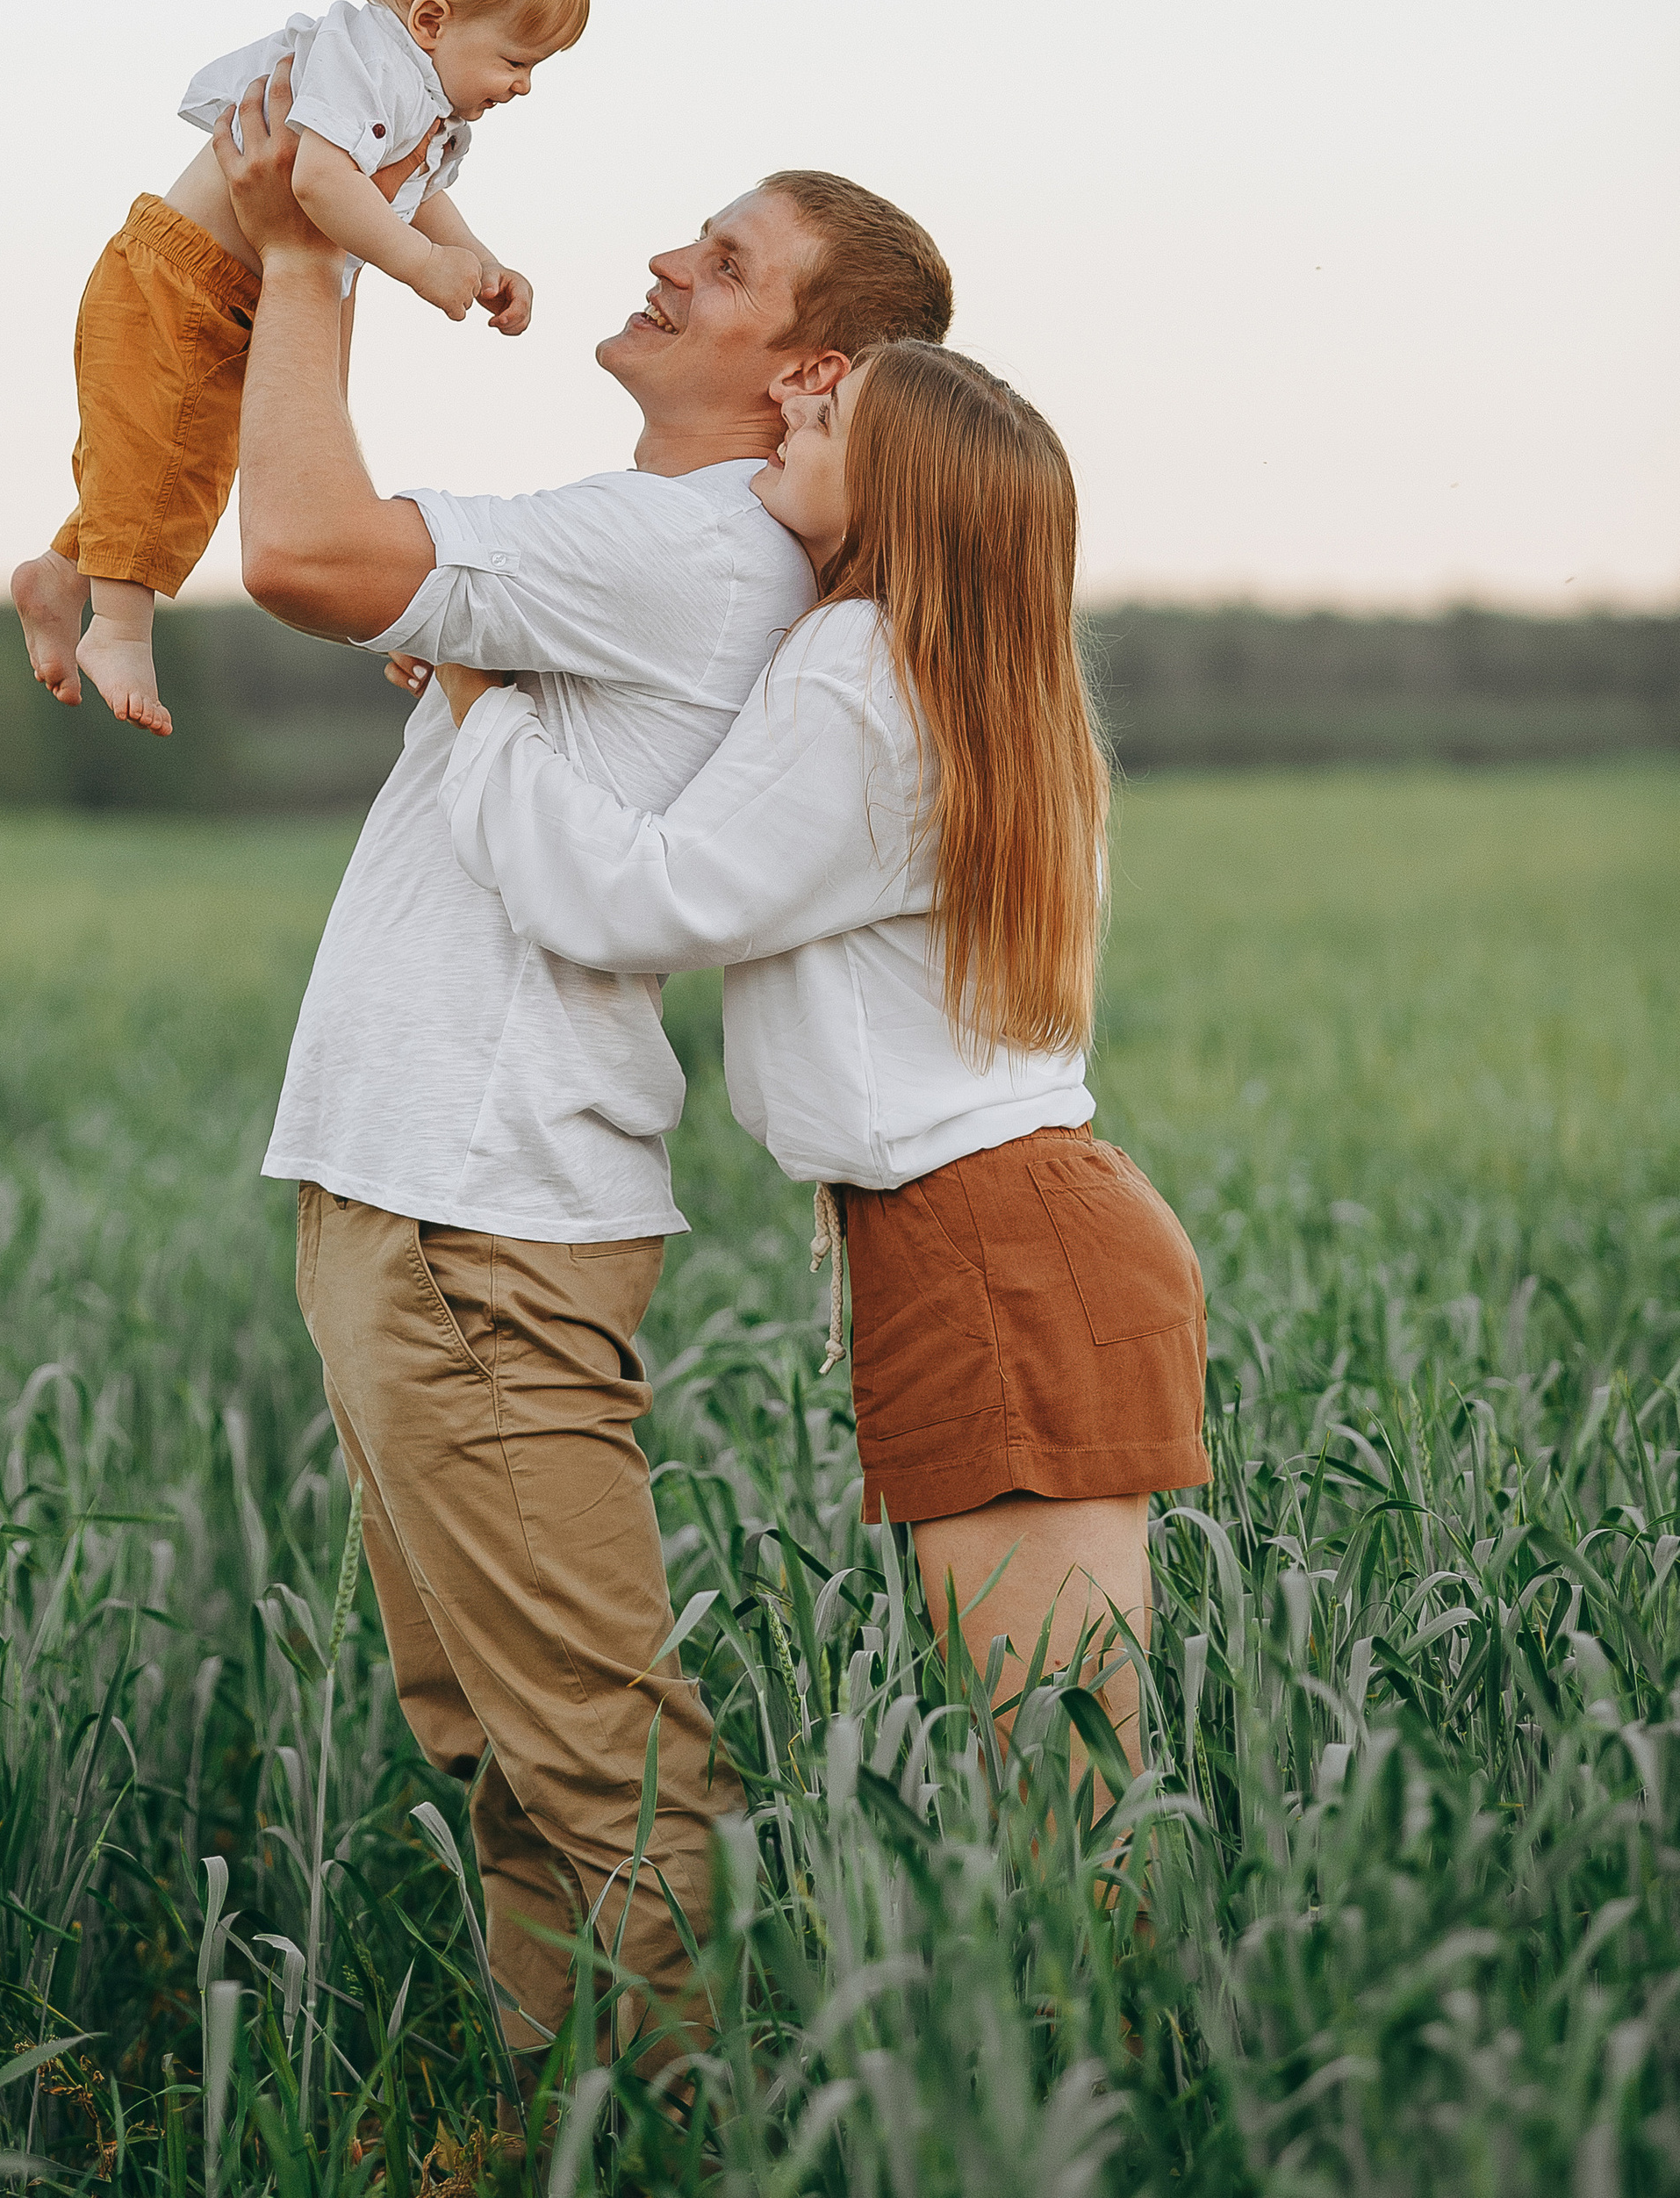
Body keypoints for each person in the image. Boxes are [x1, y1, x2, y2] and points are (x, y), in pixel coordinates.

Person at [211, 68, 952, 2060]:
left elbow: (292, 547)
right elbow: (368, 578)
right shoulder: (686, 555)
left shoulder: (685, 548)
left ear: (804, 367)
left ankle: (659, 2135)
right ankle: (557, 2127)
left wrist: (307, 247)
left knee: (595, 1756)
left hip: (479, 1213)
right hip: (431, 1198)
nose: (659, 257)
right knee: (505, 1750)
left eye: (721, 263)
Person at [433, 340, 1210, 1786]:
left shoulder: (863, 666)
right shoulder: (991, 693)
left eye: (831, 408)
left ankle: (1114, 2022)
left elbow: (642, 901)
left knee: (1061, 1784)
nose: (792, 399)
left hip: (990, 1252)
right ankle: (1107, 2019)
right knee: (1073, 1774)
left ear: (901, 486)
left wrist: (486, 711)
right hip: (1017, 1237)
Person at [10, 0, 586, 737]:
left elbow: (414, 189)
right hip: (179, 274)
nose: (526, 85)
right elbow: (318, 178)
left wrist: (477, 256)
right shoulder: (368, 65)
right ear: (432, 20)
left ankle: (60, 575)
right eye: (516, 59)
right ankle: (119, 629)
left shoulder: (420, 100)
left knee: (180, 463)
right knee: (161, 450)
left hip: (243, 291)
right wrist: (424, 267)